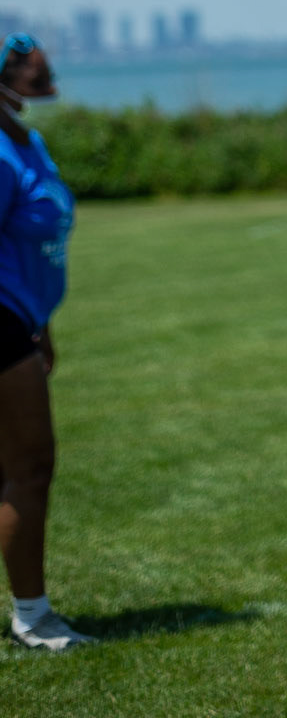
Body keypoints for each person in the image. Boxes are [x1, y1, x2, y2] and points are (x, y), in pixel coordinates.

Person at [0, 32, 92, 653]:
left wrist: (43, 325)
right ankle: (33, 617)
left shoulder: (23, 140)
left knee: (15, 469)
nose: (41, 63)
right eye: (26, 57)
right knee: (29, 467)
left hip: (20, 321)